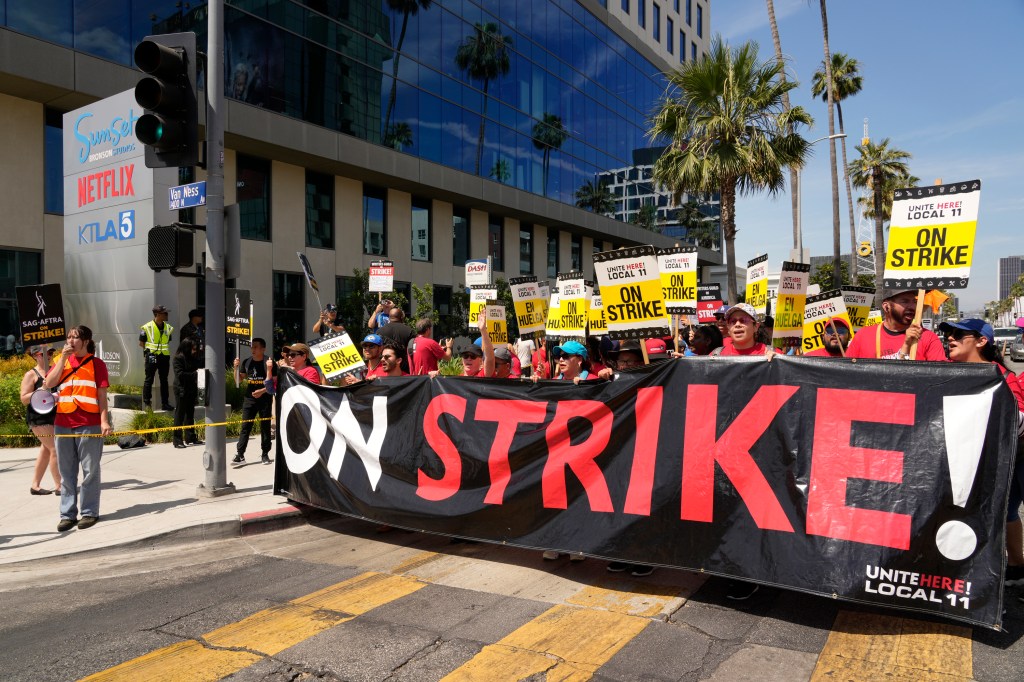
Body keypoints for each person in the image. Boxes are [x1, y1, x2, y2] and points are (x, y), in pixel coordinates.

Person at [939, 319, 1024, 586]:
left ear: (981, 341)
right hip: (965, 466)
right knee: (998, 513)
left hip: (1012, 460)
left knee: (1005, 512)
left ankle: (1015, 568)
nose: (950, 339)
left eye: (958, 335)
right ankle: (1011, 569)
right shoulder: (943, 374)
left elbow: (1017, 426)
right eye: (949, 335)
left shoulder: (1005, 379)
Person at [43, 325, 112, 532]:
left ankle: (89, 512)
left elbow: (101, 397)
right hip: (63, 423)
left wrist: (104, 421)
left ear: (86, 341)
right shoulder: (60, 361)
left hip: (89, 423)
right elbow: (48, 383)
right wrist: (63, 359)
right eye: (69, 337)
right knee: (67, 471)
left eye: (76, 337)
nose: (71, 341)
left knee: (90, 470)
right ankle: (67, 514)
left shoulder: (97, 364)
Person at [846, 288, 946, 361]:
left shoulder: (928, 338)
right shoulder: (863, 335)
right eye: (905, 301)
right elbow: (847, 374)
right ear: (886, 307)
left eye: (914, 302)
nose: (912, 307)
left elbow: (939, 379)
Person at [20, 344, 60, 495]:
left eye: (50, 353)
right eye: (44, 354)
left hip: (54, 414)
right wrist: (41, 390)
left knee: (46, 450)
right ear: (35, 356)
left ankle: (35, 485)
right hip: (38, 417)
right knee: (54, 448)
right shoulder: (31, 374)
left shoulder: (54, 371)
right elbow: (24, 398)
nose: (48, 355)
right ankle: (59, 485)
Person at [232, 337, 276, 466]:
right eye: (252, 347)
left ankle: (265, 454)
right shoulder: (247, 362)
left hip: (265, 399)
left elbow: (273, 383)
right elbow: (238, 381)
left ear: (263, 349)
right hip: (249, 399)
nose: (253, 349)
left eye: (256, 347)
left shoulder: (269, 362)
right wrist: (235, 368)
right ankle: (240, 455)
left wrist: (262, 391)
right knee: (245, 427)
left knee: (265, 427)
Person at [139, 304, 174, 410]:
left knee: (164, 380)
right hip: (152, 355)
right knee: (149, 379)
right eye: (164, 313)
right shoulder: (146, 327)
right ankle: (147, 403)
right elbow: (141, 343)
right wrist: (149, 352)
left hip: (164, 356)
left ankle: (165, 403)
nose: (167, 315)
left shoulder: (168, 328)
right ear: (157, 314)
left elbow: (167, 340)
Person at [171, 337, 202, 449]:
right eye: (193, 349)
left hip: (191, 389)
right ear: (186, 348)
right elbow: (180, 375)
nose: (194, 351)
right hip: (181, 389)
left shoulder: (193, 358)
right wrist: (195, 374)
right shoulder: (178, 358)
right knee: (180, 414)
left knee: (190, 414)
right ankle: (177, 440)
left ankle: (190, 437)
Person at [377, 307, 415, 372]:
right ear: (401, 317)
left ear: (389, 317)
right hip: (403, 366)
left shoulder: (380, 331)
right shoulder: (409, 330)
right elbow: (412, 349)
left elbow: (377, 349)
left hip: (386, 365)